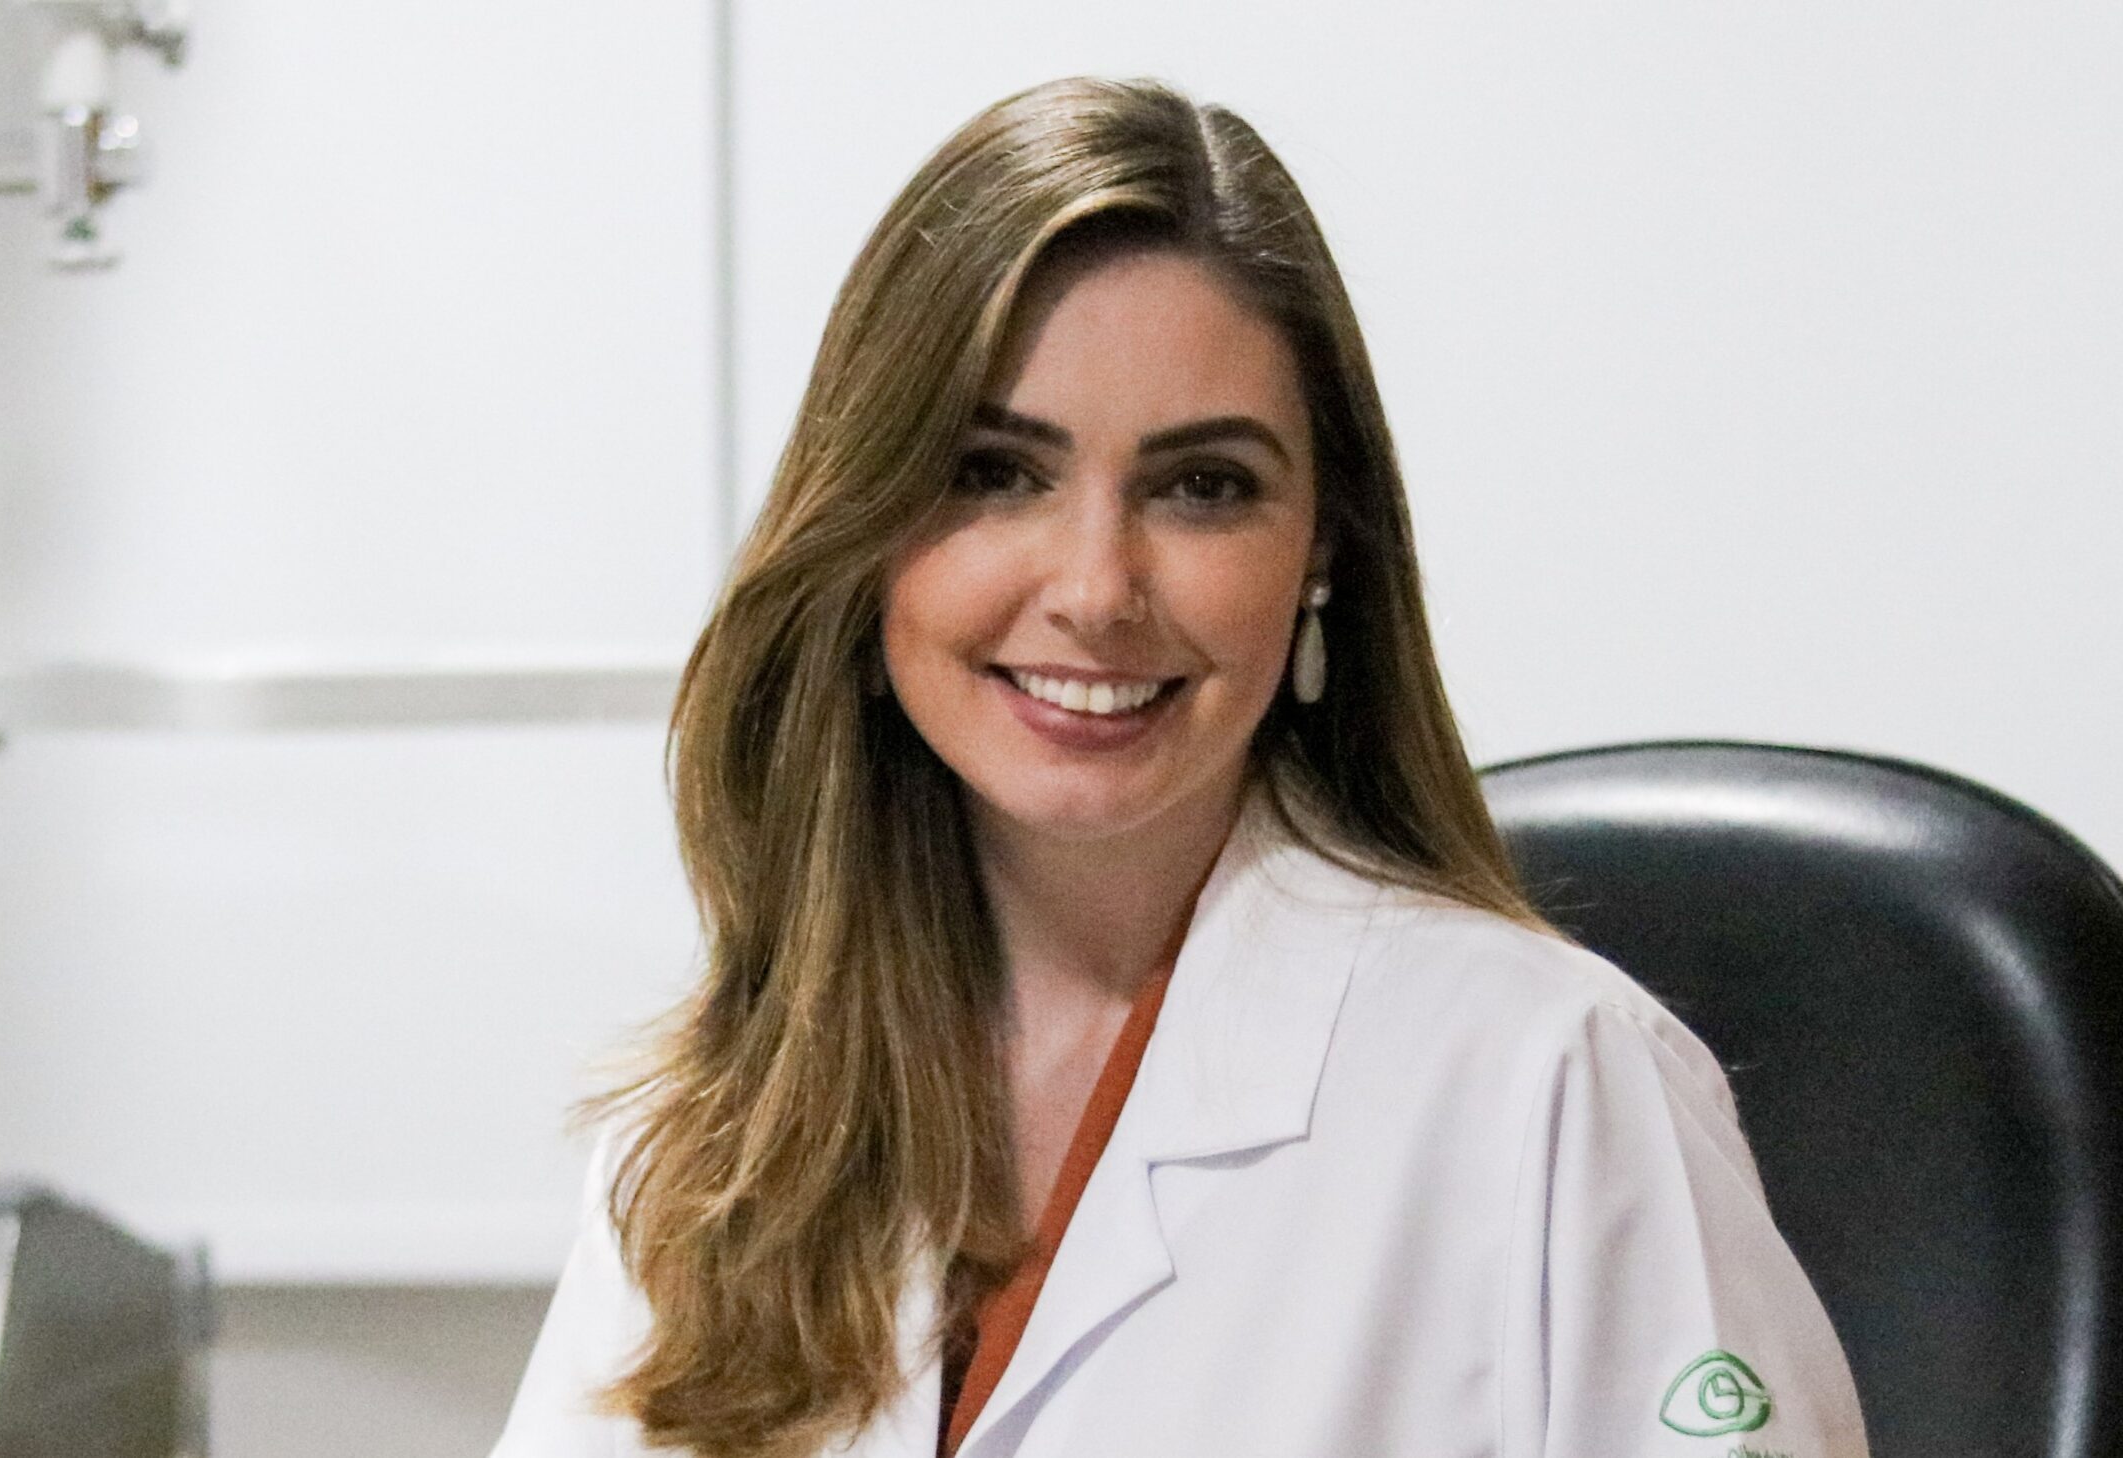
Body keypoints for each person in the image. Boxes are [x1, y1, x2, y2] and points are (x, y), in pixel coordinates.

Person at [492, 77, 1868, 1458]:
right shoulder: (720, 1133)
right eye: (995, 473)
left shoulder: (1557, 1088)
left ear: (1321, 551)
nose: (1097, 589)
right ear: (862, 535)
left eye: (1202, 487)